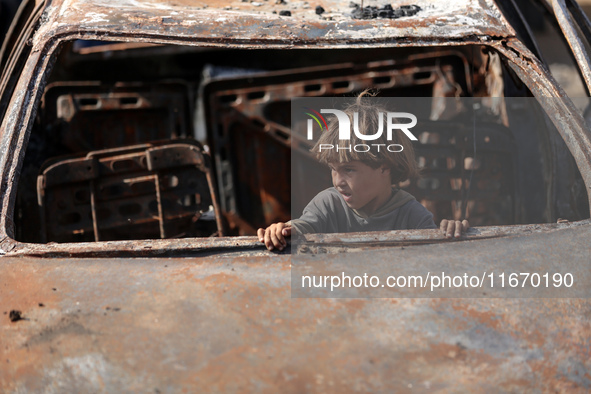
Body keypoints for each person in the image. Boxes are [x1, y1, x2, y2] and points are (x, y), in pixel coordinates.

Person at [258, 92, 469, 251]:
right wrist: (283, 230)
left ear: (384, 167)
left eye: (349, 169)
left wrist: (450, 232)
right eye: (334, 169)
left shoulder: (411, 214)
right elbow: (305, 225)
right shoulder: (328, 204)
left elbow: (436, 252)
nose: (338, 181)